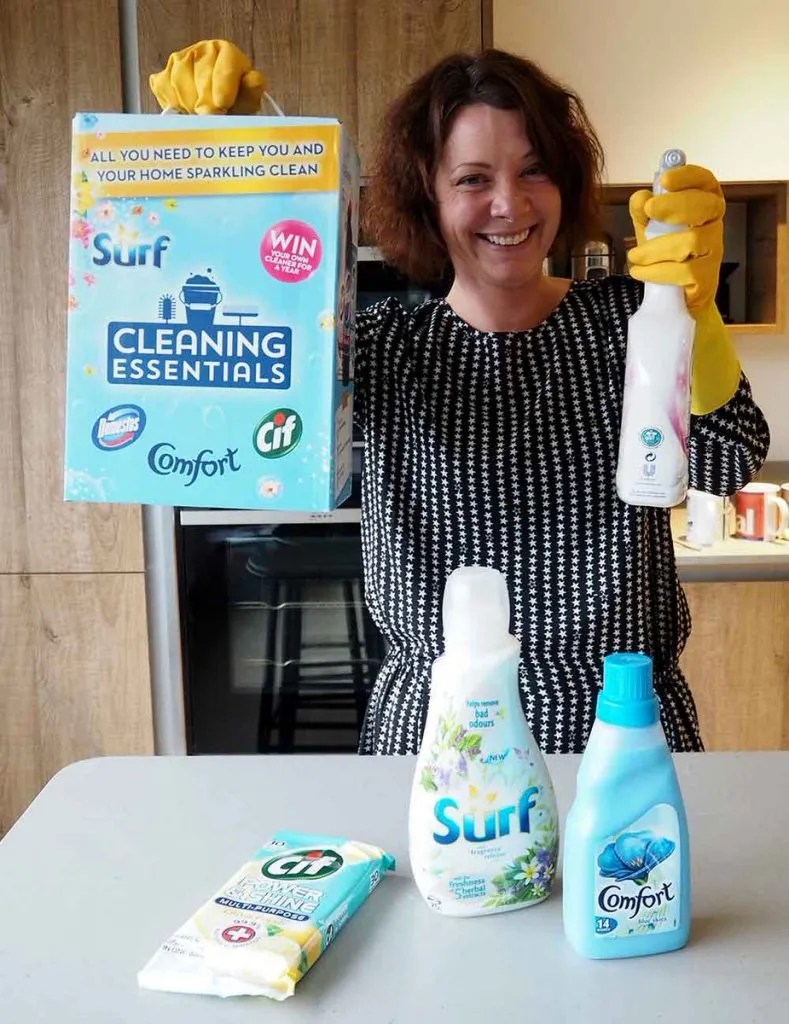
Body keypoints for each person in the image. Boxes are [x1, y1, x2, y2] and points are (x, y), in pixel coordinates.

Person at [151, 43, 770, 756]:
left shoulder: (630, 320)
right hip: (437, 738)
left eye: (533, 169)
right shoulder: (378, 346)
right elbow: (229, 427)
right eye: (473, 178)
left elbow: (725, 461)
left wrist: (694, 315)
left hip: (617, 727)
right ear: (429, 197)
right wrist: (225, 184)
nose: (509, 204)